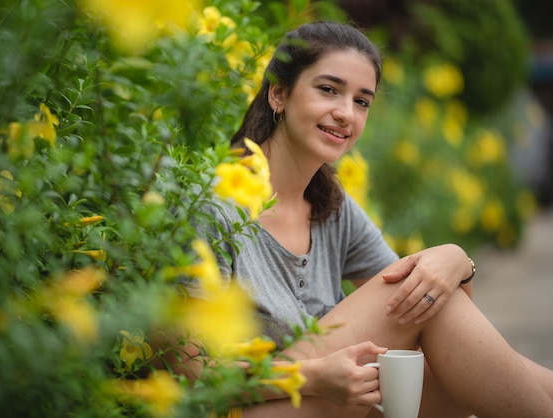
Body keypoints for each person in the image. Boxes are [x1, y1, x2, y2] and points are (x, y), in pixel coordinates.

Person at [182, 21, 553, 417]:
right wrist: (313, 376)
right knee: (422, 283)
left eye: (362, 101)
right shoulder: (210, 205)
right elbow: (190, 378)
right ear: (278, 93)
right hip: (245, 408)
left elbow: (435, 314)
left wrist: (458, 261)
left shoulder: (331, 207)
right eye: (328, 89)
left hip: (317, 400)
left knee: (430, 295)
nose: (346, 113)